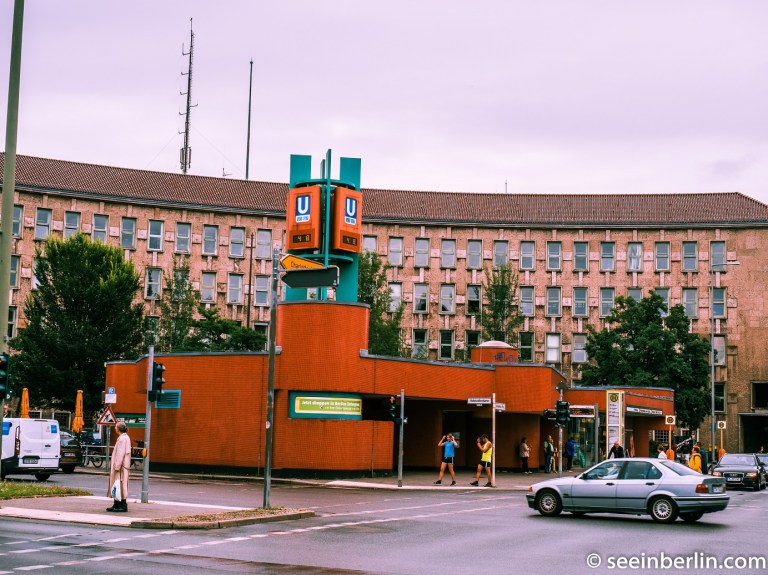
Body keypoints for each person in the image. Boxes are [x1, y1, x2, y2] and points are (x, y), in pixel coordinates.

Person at [107, 421, 131, 512]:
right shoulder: (125, 437)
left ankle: (122, 505)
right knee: (118, 485)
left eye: (116, 427)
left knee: (119, 485)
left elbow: (120, 453)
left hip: (120, 467)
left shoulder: (122, 439)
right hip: (124, 466)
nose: (115, 428)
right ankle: (116, 504)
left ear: (118, 429)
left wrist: (117, 466)